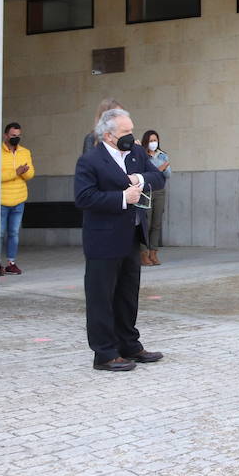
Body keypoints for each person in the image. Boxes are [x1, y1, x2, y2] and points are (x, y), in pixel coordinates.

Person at [73, 107, 166, 372]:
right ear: (109, 135)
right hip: (103, 239)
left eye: (131, 130)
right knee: (101, 296)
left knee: (127, 294)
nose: (131, 136)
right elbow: (84, 198)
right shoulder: (90, 161)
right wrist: (121, 198)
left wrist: (138, 178)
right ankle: (104, 353)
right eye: (126, 132)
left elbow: (158, 177)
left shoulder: (136, 153)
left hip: (131, 236)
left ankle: (129, 344)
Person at [0, 122, 35, 275]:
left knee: (13, 233)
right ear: (5, 135)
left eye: (18, 136)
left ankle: (11, 262)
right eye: (13, 136)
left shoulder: (25, 152)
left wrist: (24, 172)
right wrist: (16, 172)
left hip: (19, 198)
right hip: (1, 199)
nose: (16, 138)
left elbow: (31, 173)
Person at [141, 129, 170, 266]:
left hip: (159, 191)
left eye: (155, 140)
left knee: (156, 224)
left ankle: (153, 253)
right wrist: (160, 169)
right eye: (151, 140)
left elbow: (168, 173)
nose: (153, 143)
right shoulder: (142, 156)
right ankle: (144, 253)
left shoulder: (162, 155)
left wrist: (159, 170)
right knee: (146, 223)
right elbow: (145, 174)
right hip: (146, 191)